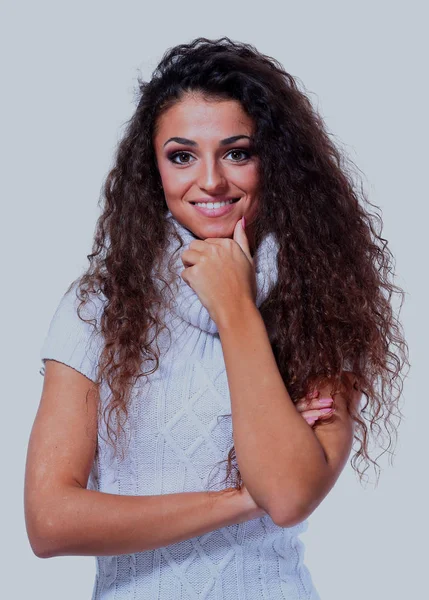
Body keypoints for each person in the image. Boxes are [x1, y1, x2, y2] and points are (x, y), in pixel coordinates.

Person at [24, 37, 409, 599]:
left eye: (237, 152)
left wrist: (235, 307)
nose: (210, 181)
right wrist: (243, 498)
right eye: (182, 156)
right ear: (153, 168)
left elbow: (290, 492)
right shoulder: (100, 305)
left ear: (272, 160)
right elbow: (50, 521)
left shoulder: (322, 299)